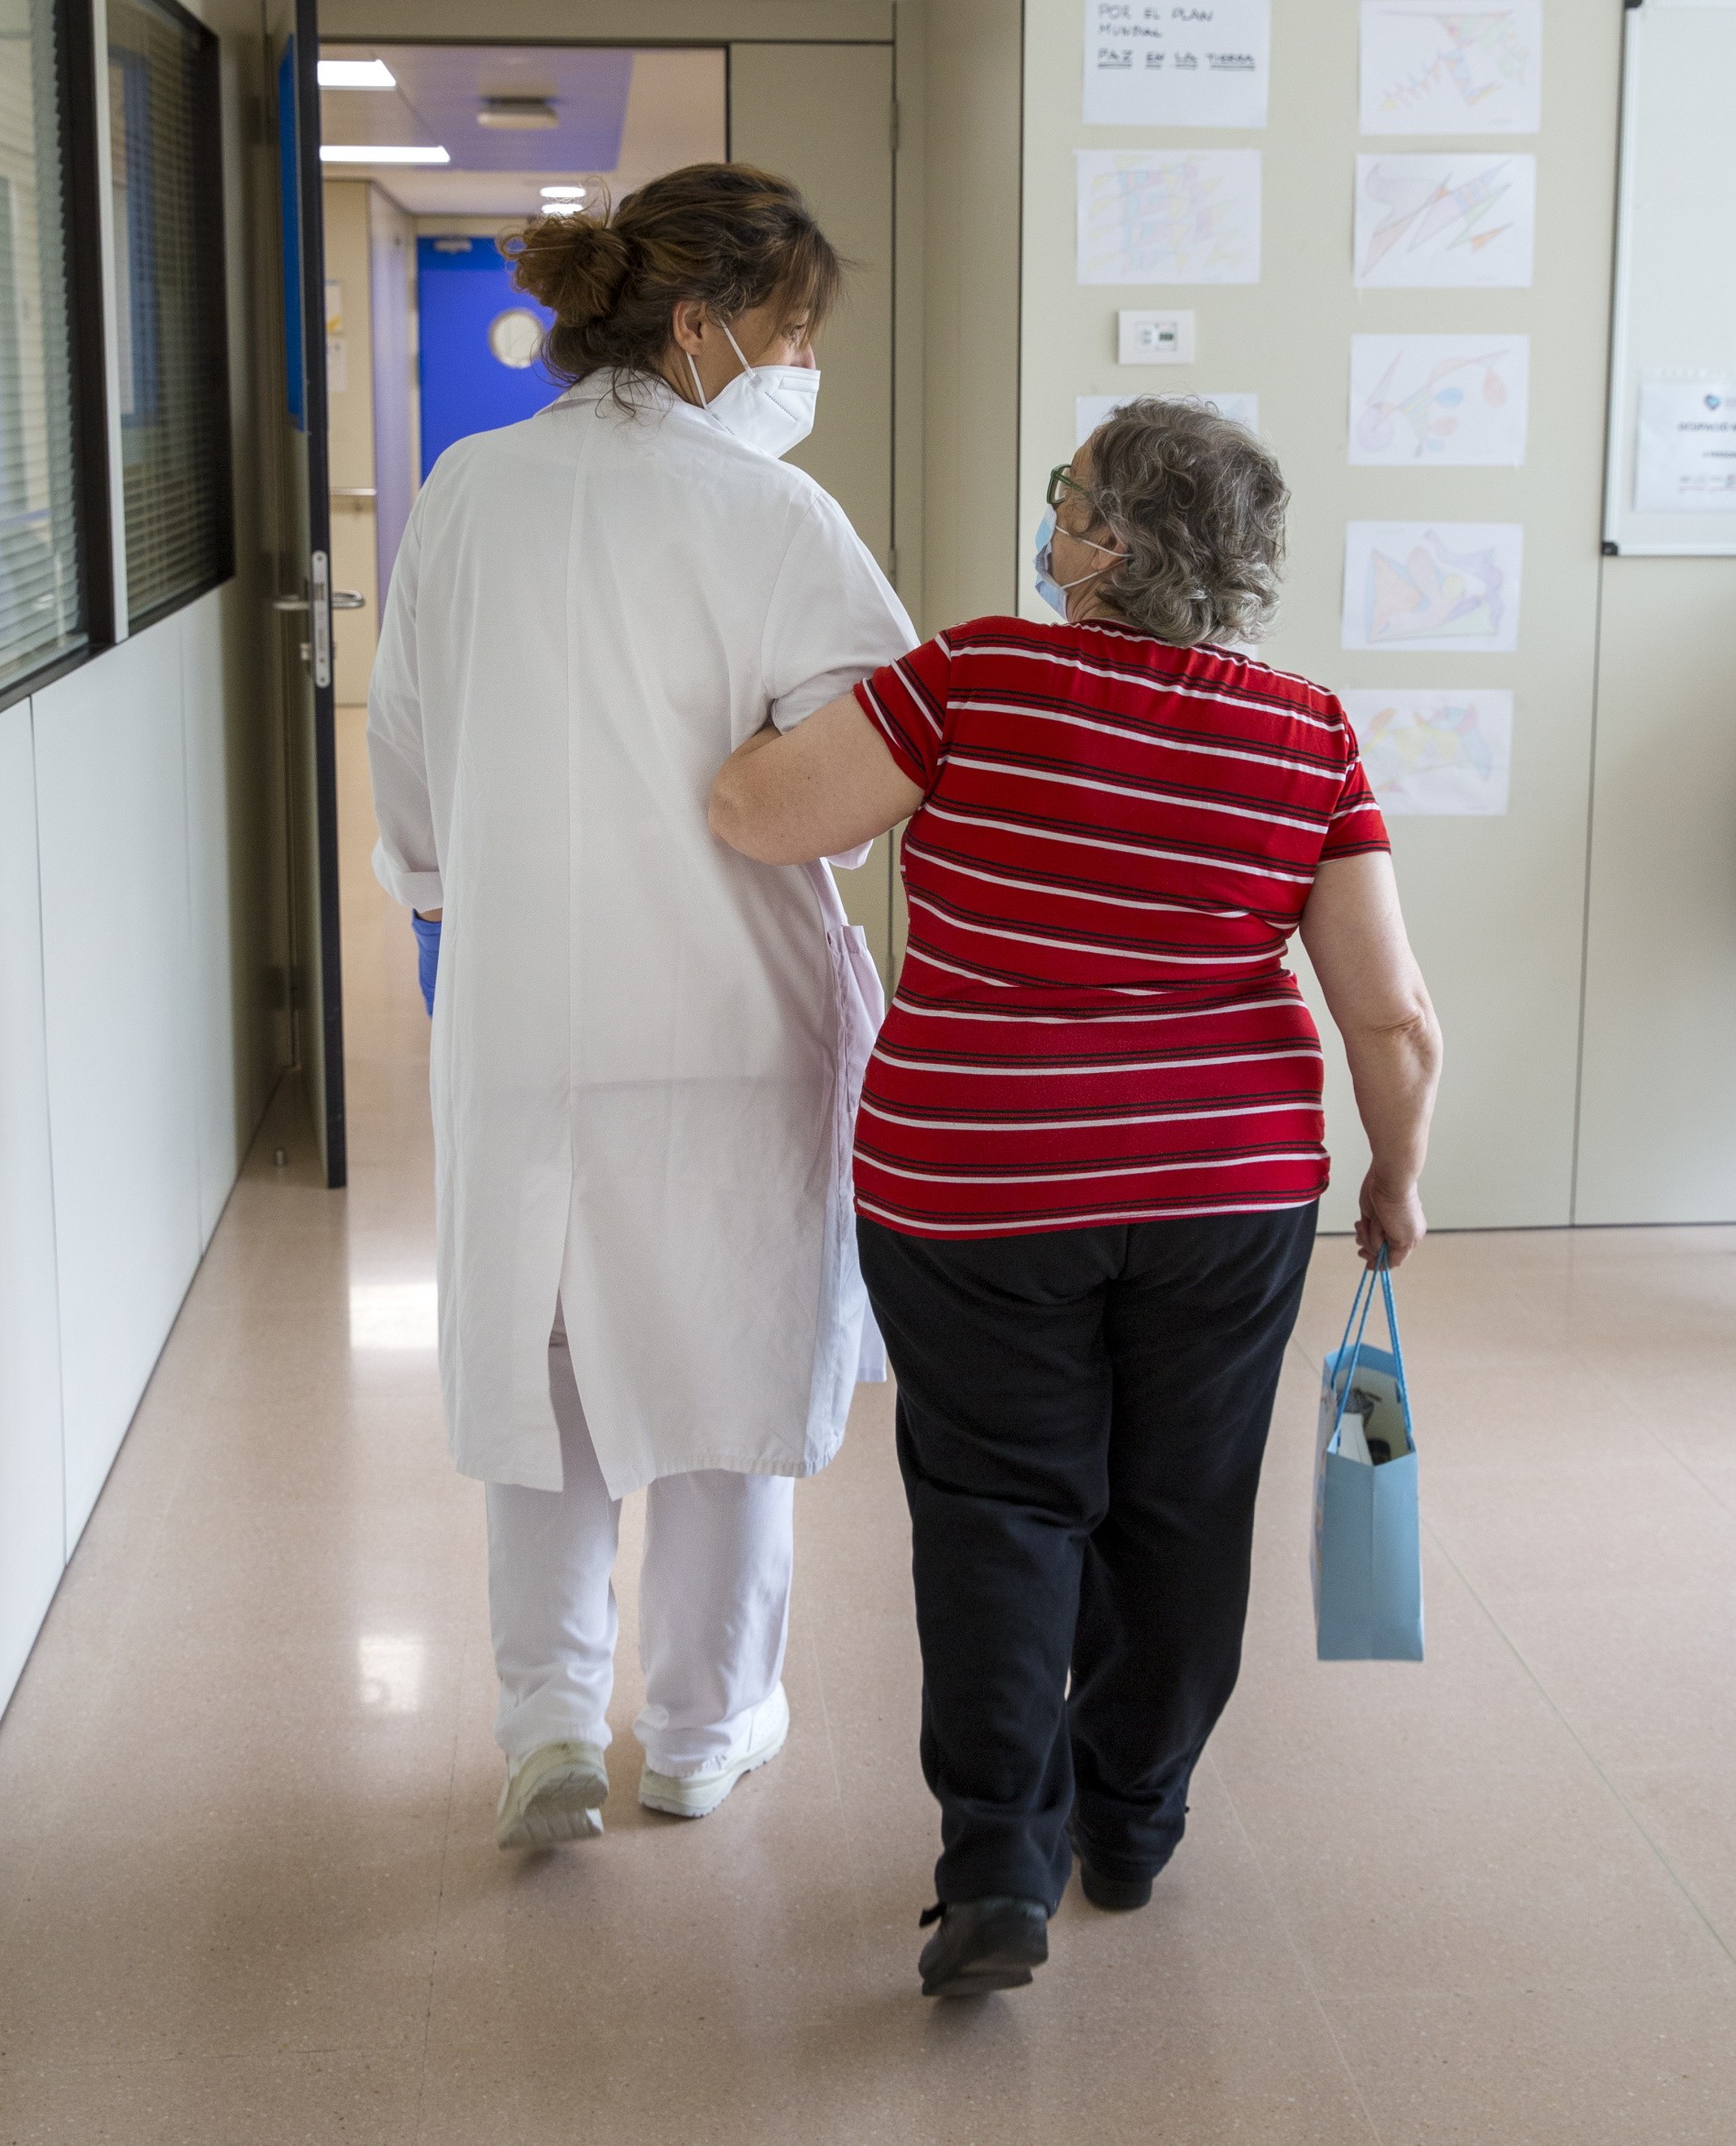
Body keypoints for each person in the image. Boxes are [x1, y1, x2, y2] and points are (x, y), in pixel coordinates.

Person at [708, 399, 1443, 1998]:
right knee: (1182, 1502)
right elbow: (1388, 1012)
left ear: (1110, 541)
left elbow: (759, 814)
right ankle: (1133, 1824)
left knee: (996, 1502)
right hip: (1220, 1188)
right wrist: (1398, 1174)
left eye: (1068, 499)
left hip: (976, 1180)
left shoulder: (971, 676)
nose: (1052, 523)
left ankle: (994, 1863)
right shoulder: (1307, 730)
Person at [367, 163, 913, 1852]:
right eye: (785, 333)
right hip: (730, 1018)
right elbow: (880, 757)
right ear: (695, 328)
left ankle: (546, 1722)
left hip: (526, 1018)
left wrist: (455, 907)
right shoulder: (771, 521)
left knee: (549, 1389)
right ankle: (695, 1727)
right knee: (727, 1373)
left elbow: (404, 754)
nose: (796, 369)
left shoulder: (469, 486)